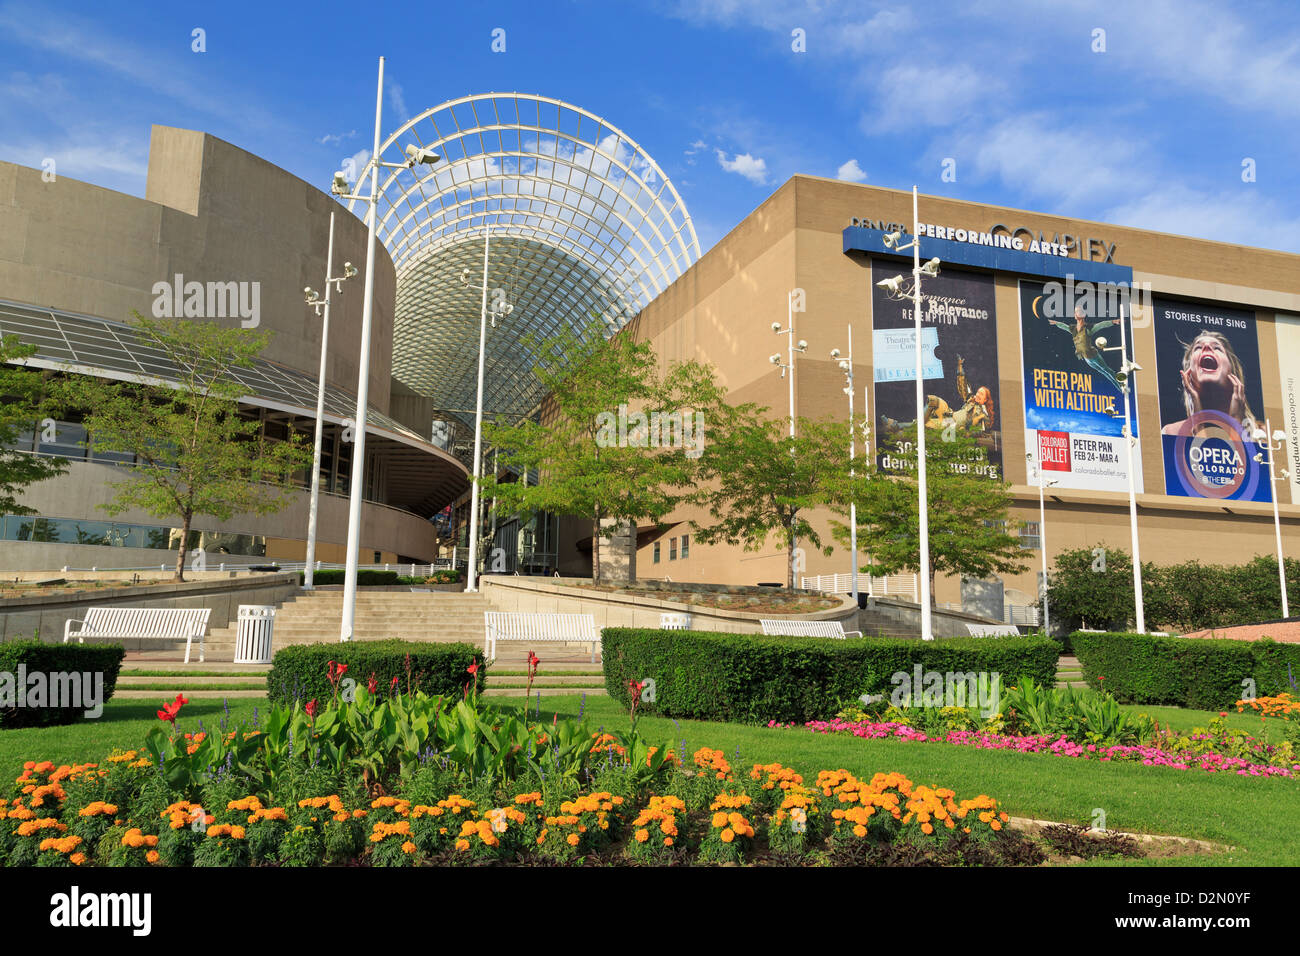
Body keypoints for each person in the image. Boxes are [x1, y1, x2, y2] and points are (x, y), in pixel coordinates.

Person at [1161, 330, 1256, 436]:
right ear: (1188, 374)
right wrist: (1197, 422)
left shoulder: (1262, 435)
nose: (1206, 347)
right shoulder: (1171, 432)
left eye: (1217, 348)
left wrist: (1236, 422)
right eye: (1198, 348)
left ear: (1232, 371)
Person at [1047, 304, 1122, 392]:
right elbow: (1065, 327)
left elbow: (1100, 325)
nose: (1076, 313)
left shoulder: (1088, 328)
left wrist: (1113, 322)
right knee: (1104, 373)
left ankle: (1121, 384)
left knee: (1107, 370)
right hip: (1087, 359)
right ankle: (1121, 389)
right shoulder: (1073, 329)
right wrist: (1057, 323)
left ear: (1083, 314)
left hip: (1094, 356)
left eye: (1078, 311)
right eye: (1075, 312)